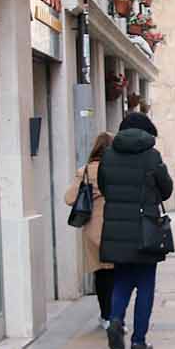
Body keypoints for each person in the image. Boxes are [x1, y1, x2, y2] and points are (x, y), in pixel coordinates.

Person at [98, 111, 173, 349]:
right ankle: (138, 341)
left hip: (116, 230)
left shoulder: (108, 156)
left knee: (121, 280)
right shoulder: (152, 156)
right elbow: (166, 189)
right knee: (145, 285)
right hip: (145, 232)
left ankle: (116, 319)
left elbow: (103, 187)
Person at [64, 132, 114, 329]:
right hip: (115, 225)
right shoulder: (116, 170)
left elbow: (69, 198)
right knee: (117, 272)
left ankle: (105, 315)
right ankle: (116, 314)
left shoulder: (85, 171)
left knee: (101, 273)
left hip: (93, 228)